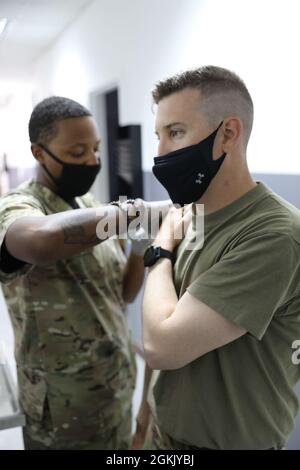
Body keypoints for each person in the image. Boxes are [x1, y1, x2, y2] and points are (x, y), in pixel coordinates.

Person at [138, 66, 300, 450]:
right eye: (158, 136)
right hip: (162, 435)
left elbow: (162, 345)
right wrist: (144, 419)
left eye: (175, 133)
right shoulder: (191, 214)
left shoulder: (274, 235)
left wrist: (159, 253)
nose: (160, 154)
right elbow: (158, 317)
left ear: (228, 133)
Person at [0, 96, 166, 450]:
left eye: (96, 149)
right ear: (39, 153)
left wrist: (139, 246)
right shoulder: (19, 206)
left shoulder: (90, 206)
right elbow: (41, 241)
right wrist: (136, 213)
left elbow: (122, 294)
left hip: (115, 389)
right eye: (77, 153)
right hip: (62, 411)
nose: (92, 161)